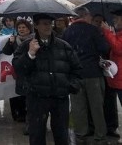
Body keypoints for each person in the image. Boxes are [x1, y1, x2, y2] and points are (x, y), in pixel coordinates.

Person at [13, 14, 81, 145]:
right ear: (36, 26)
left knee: (62, 135)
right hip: (37, 98)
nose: (48, 26)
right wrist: (30, 54)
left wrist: (71, 85)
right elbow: (18, 69)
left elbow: (76, 68)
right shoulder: (27, 45)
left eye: (49, 23)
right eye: (44, 23)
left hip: (59, 98)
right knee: (37, 135)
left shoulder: (64, 46)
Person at [62, 7, 110, 145]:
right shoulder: (93, 30)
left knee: (78, 107)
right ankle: (100, 136)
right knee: (97, 107)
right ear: (86, 16)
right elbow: (104, 48)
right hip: (93, 73)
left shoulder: (67, 32)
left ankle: (81, 134)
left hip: (76, 75)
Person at [2, 19, 34, 126]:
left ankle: (28, 115)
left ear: (29, 29)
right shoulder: (14, 39)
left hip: (30, 70)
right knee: (18, 93)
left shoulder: (34, 40)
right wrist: (10, 42)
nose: (21, 29)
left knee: (28, 94)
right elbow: (6, 52)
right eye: (19, 28)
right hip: (18, 70)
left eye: (23, 27)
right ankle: (19, 114)